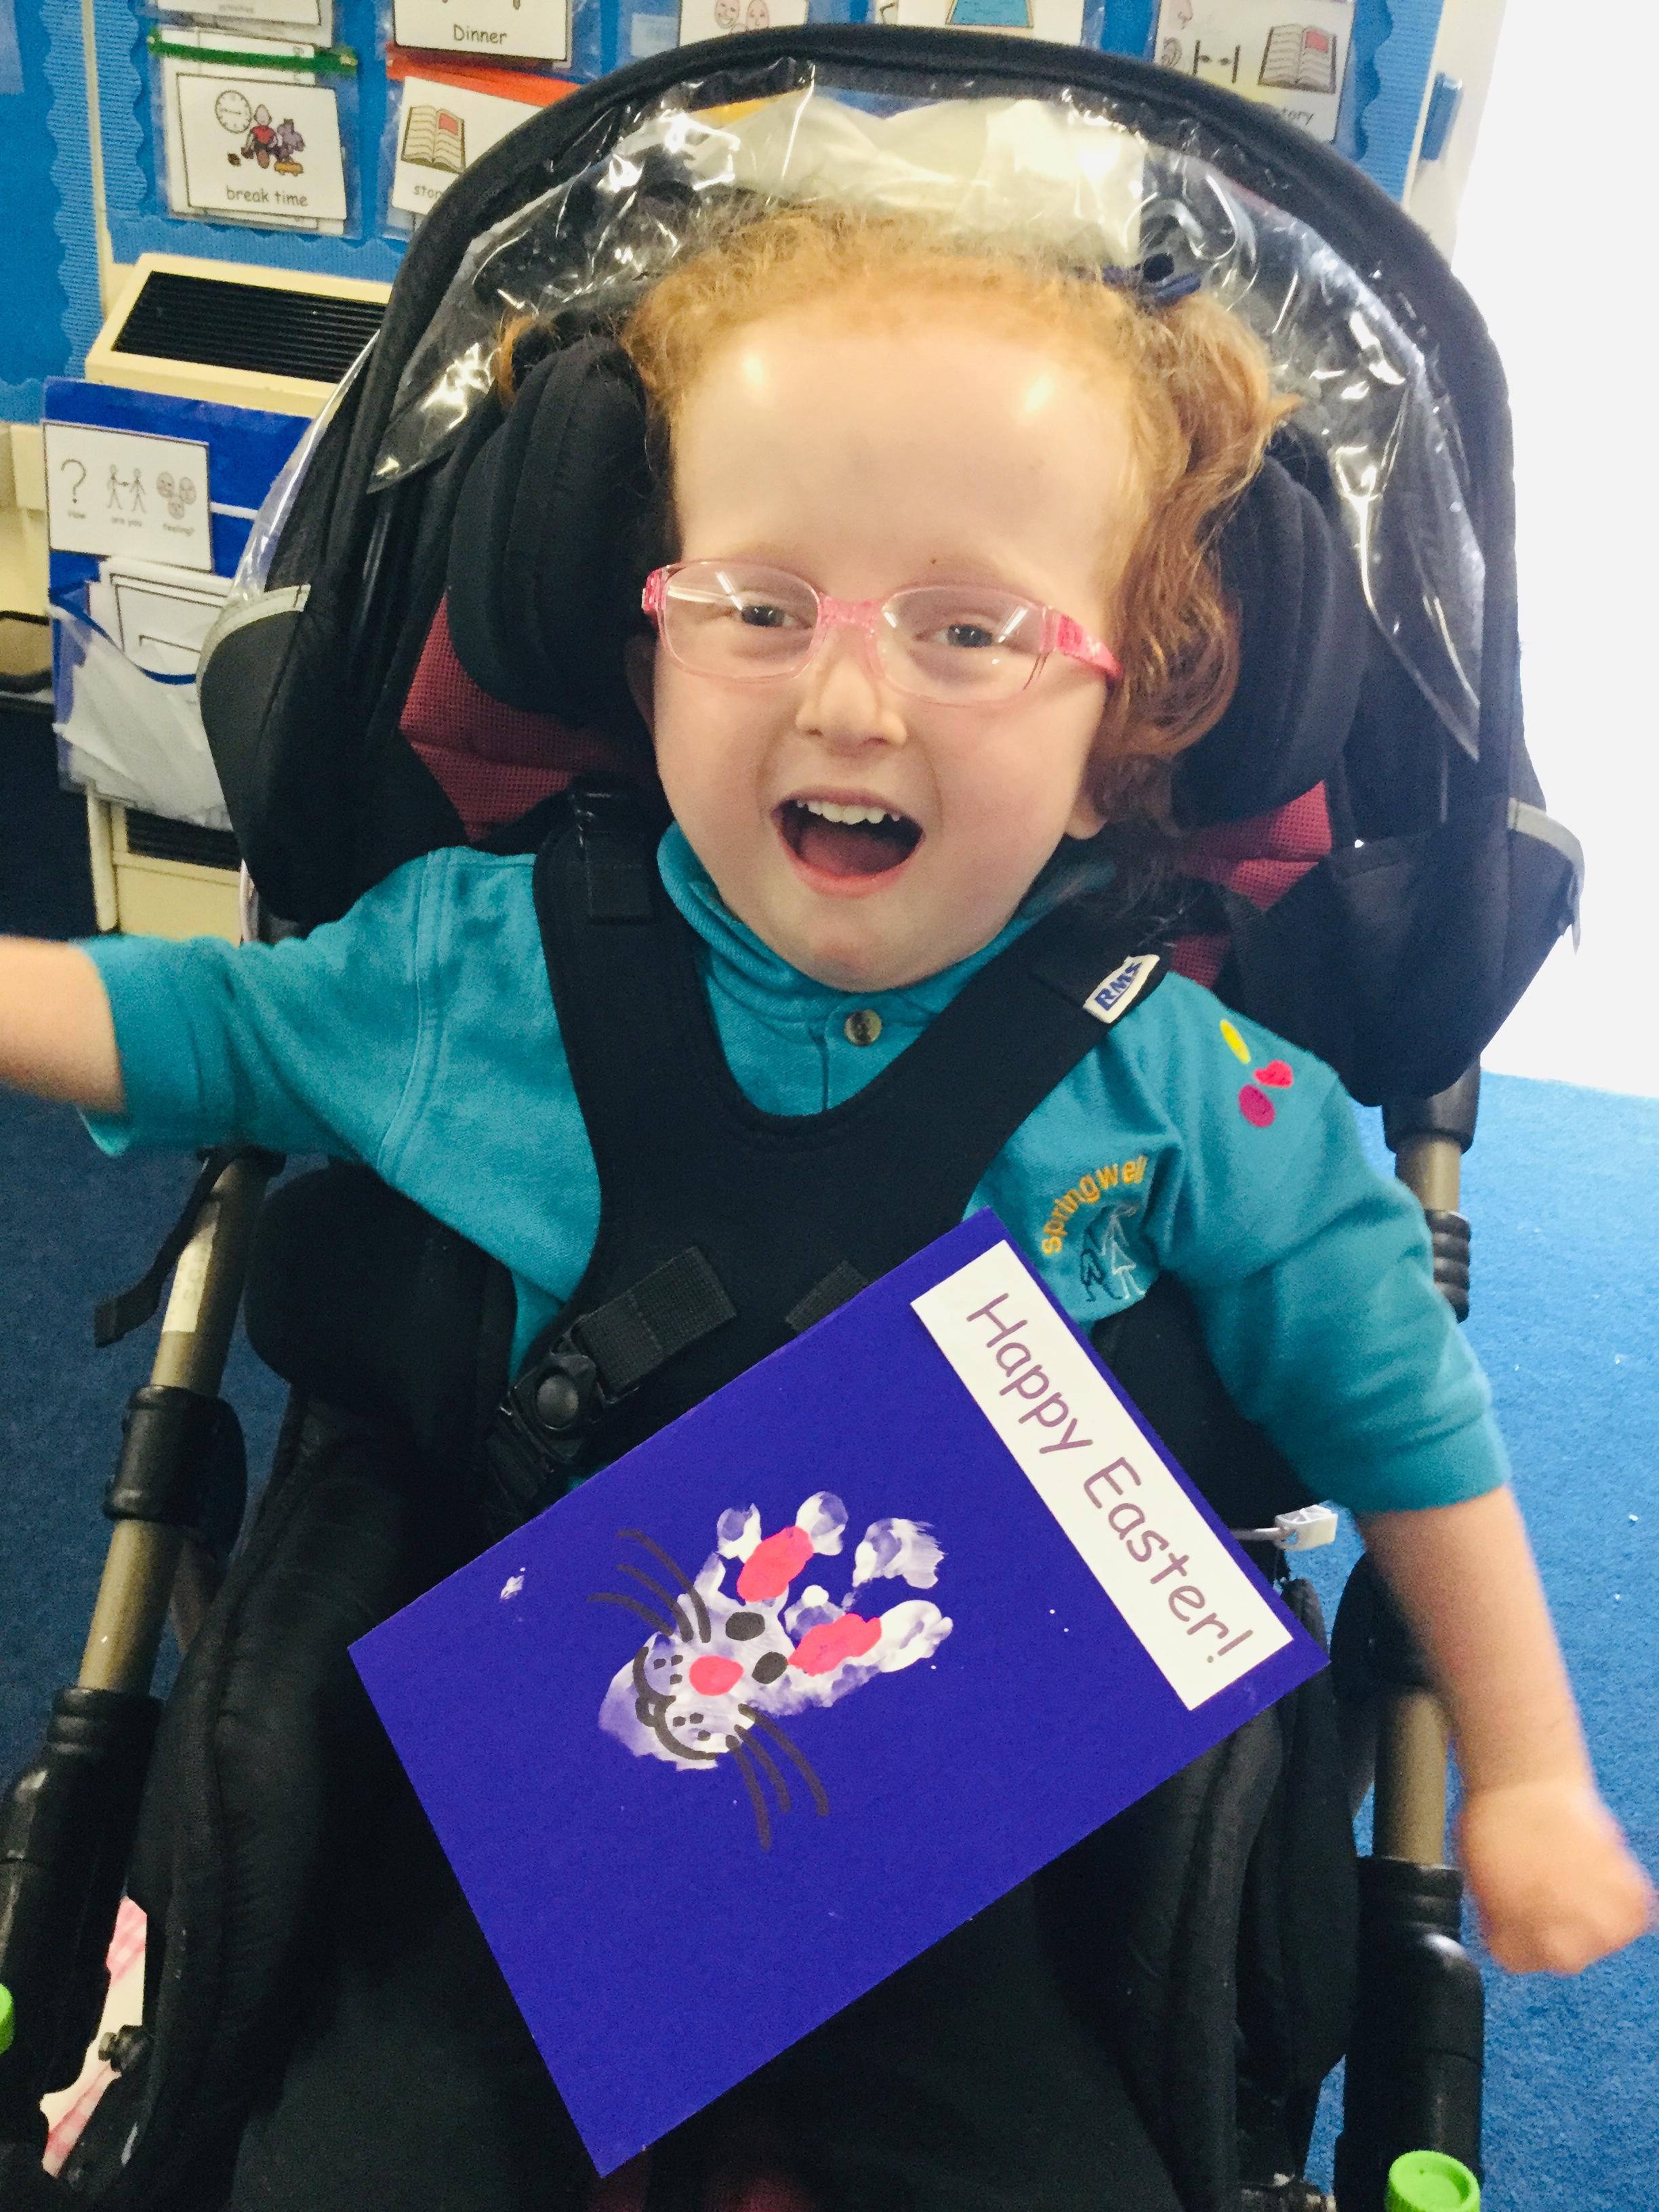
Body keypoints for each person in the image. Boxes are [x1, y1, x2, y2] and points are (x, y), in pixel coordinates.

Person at [1, 205, 1650, 2207]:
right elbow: (195, 1024)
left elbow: (1407, 1419)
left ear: (1120, 730)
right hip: (538, 1799)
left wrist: (1530, 1771)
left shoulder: (1200, 1097)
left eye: (969, 631)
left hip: (958, 1836)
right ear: (650, 651)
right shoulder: (483, 968)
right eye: (761, 606)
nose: (853, 703)